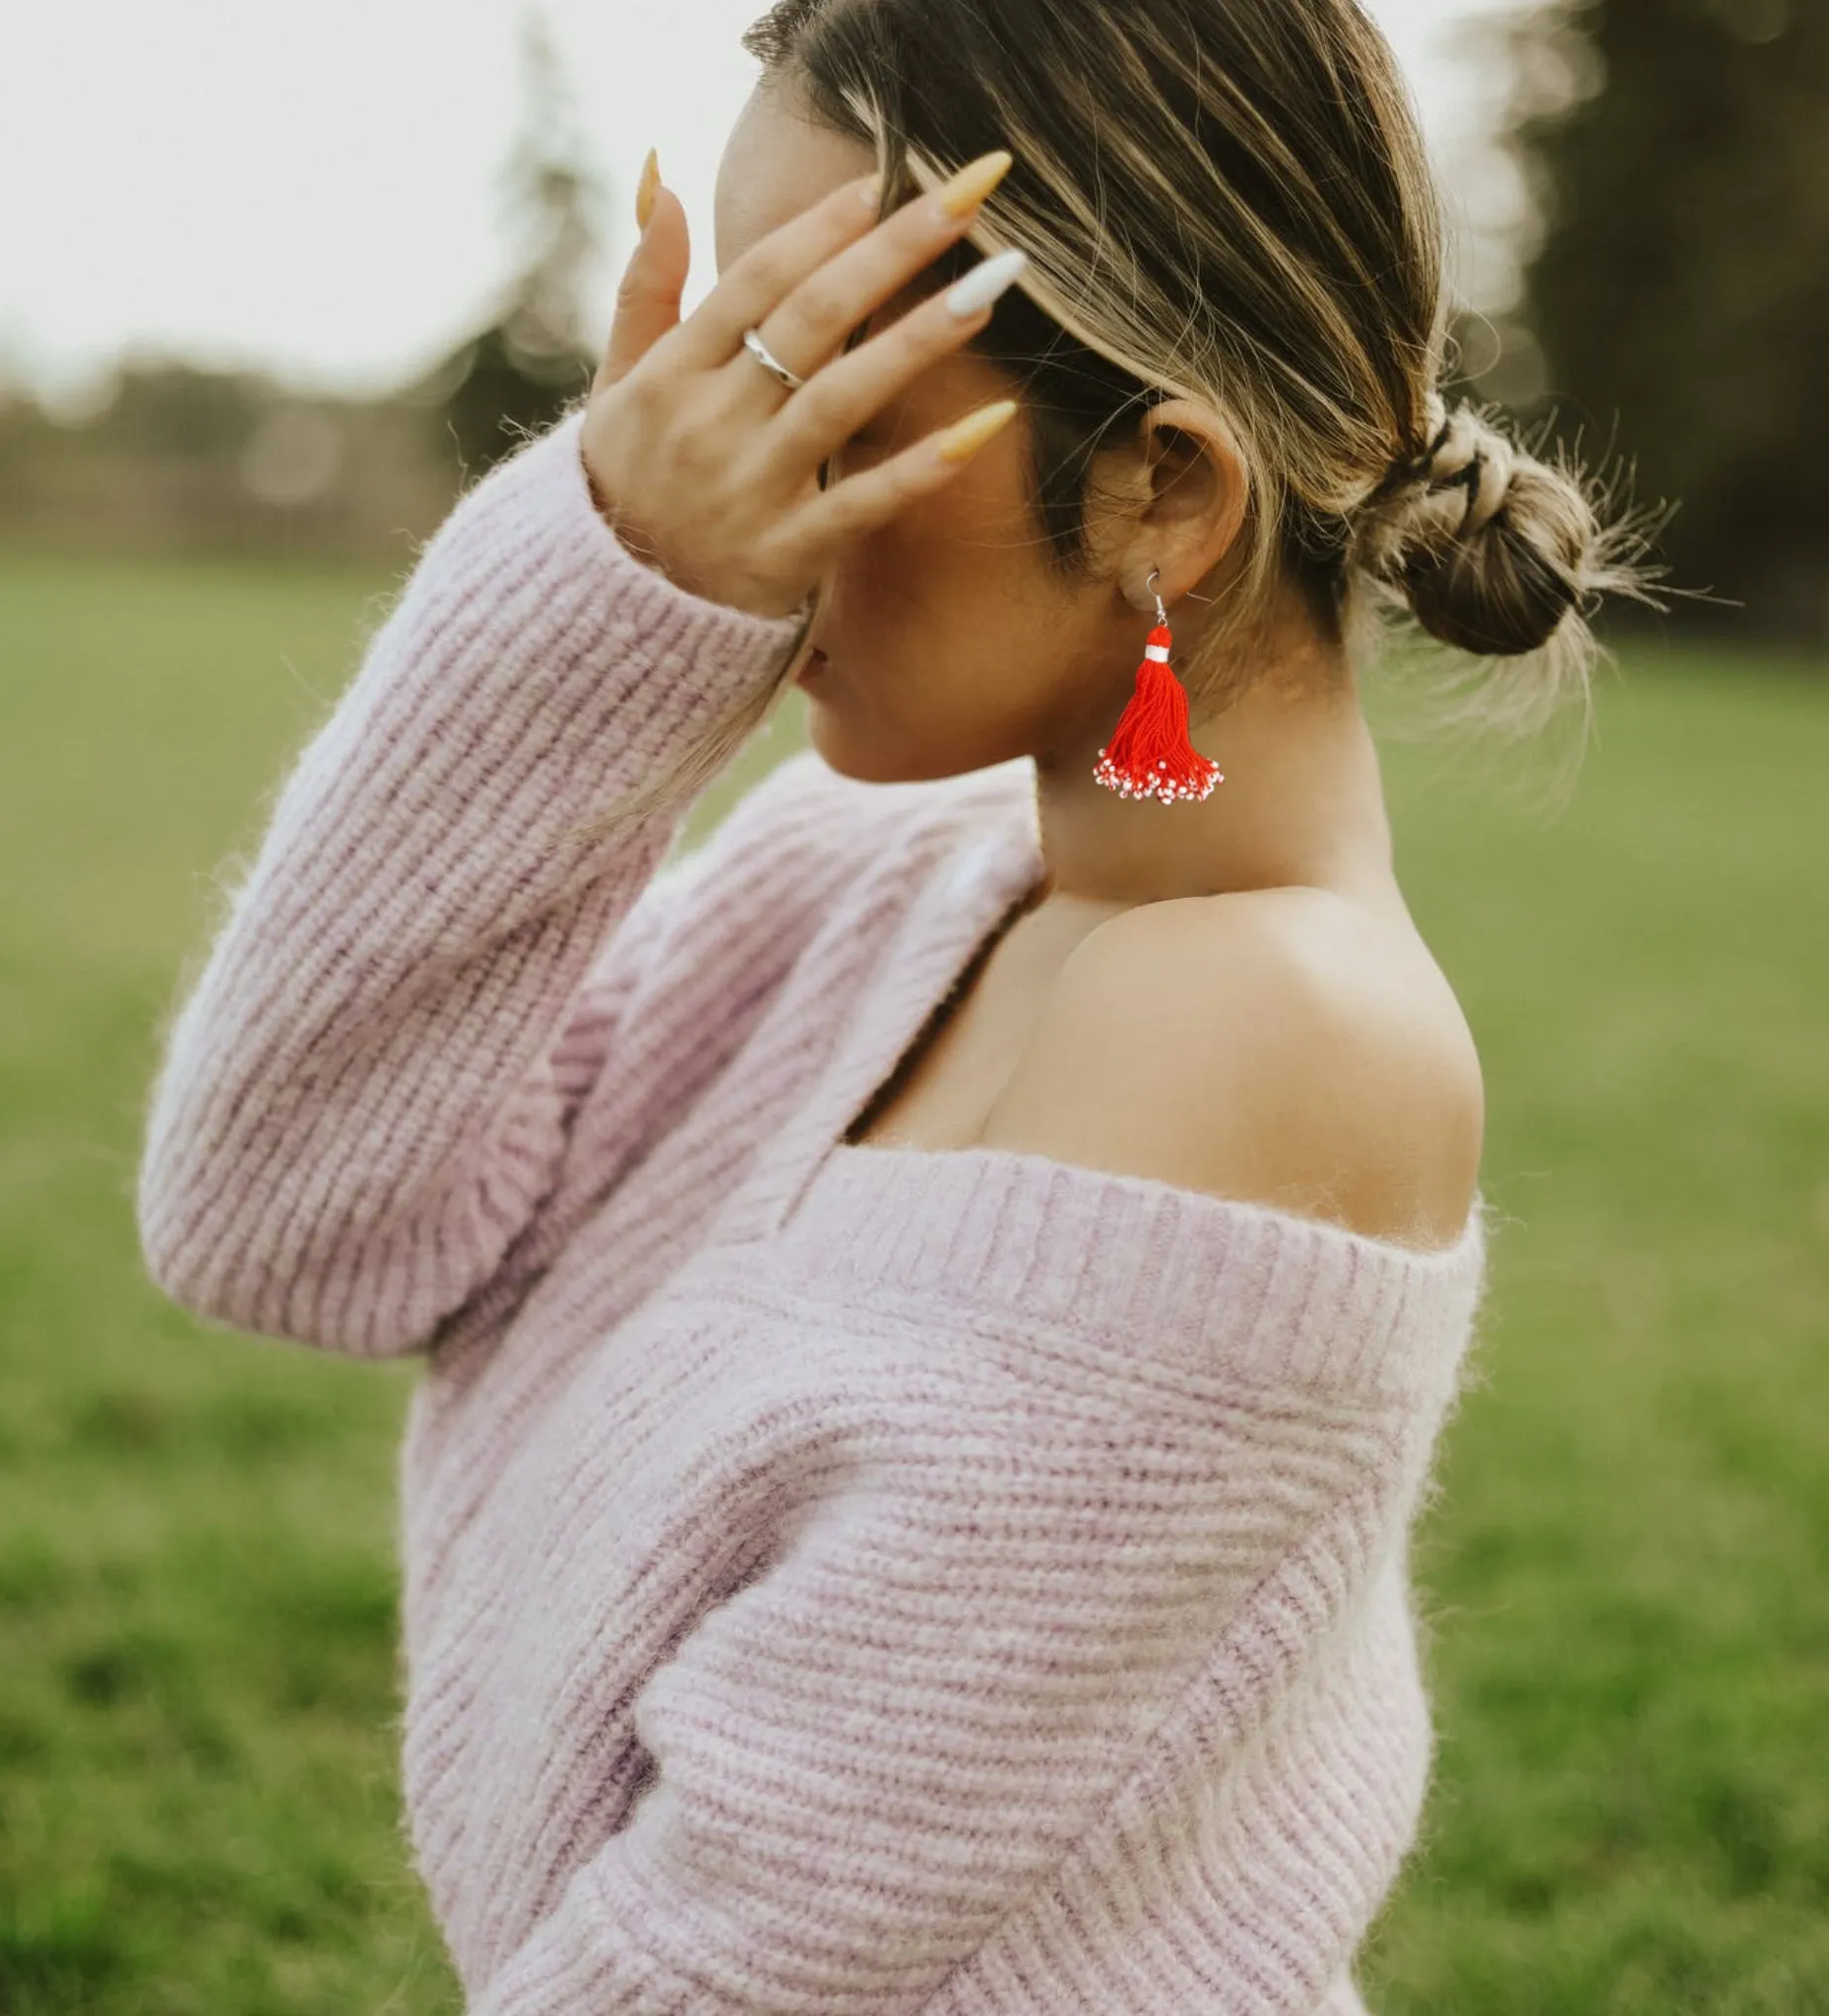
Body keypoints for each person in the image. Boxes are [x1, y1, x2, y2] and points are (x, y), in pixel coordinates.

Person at [136, 2, 1666, 2008]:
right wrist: (594, 591)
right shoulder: (881, 874)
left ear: (1159, 499)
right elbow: (293, 1230)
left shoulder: (1279, 1038)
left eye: (814, 392)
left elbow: (739, 1958)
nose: (732, 498)